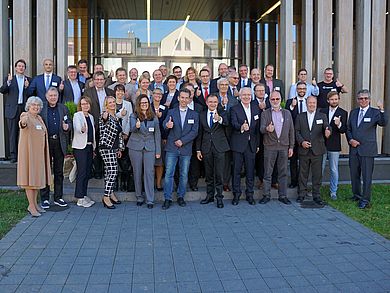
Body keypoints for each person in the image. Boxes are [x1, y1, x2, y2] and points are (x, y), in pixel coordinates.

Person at [346, 89, 388, 209]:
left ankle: (365, 199)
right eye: (361, 98)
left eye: (365, 98)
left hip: (367, 150)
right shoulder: (353, 112)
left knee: (366, 176)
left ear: (369, 99)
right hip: (354, 150)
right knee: (354, 175)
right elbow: (348, 129)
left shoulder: (375, 112)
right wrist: (350, 140)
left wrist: (382, 109)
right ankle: (356, 195)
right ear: (357, 100)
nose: (363, 100)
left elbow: (383, 123)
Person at [162, 88, 199, 210]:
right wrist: (167, 125)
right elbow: (165, 125)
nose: (183, 100)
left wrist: (182, 141)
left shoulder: (194, 114)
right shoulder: (171, 112)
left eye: (186, 98)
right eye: (181, 97)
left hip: (186, 149)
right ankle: (167, 198)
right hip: (172, 148)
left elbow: (194, 132)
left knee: (183, 174)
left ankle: (181, 196)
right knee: (169, 174)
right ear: (178, 98)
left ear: (189, 99)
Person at [17, 96, 51, 217]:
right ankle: (31, 206)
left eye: (37, 105)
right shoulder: (25, 115)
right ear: (29, 106)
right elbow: (22, 123)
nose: (36, 107)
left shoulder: (39, 118)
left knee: (36, 179)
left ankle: (35, 204)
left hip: (39, 155)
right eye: (33, 105)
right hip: (29, 154)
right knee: (29, 180)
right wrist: (23, 122)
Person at [259, 91, 295, 204]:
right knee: (268, 173)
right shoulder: (265, 114)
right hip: (270, 147)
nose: (275, 101)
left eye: (277, 99)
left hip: (284, 147)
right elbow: (261, 129)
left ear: (281, 100)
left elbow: (291, 131)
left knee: (283, 172)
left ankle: (283, 195)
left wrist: (291, 147)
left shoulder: (287, 113)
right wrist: (267, 129)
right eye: (273, 99)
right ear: (269, 100)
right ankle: (266, 195)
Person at [39, 87, 71, 209]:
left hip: (59, 142)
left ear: (58, 97)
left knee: (59, 172)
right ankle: (45, 198)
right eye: (51, 95)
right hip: (45, 143)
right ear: (46, 97)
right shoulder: (41, 108)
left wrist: (67, 126)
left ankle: (58, 197)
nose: (53, 97)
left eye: (55, 95)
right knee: (45, 171)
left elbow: (70, 123)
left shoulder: (63, 108)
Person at [295, 96, 331, 205]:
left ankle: (316, 195)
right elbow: (296, 132)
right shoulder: (300, 116)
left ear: (316, 104)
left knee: (317, 174)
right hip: (304, 150)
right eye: (310, 103)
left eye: (313, 103)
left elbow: (327, 127)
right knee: (302, 173)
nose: (312, 105)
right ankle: (301, 194)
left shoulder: (322, 116)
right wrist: (302, 142)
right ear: (306, 104)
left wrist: (328, 131)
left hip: (317, 150)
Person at [196, 94, 229, 208]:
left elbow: (227, 123)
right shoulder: (201, 115)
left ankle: (219, 198)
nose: (213, 104)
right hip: (206, 148)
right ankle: (209, 196)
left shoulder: (222, 112)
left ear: (218, 102)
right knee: (209, 174)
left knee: (219, 174)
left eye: (215, 102)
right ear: (206, 102)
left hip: (220, 147)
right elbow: (199, 133)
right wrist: (198, 150)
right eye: (210, 102)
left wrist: (219, 119)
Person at [128, 95, 161, 208]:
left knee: (149, 173)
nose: (144, 104)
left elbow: (157, 134)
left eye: (146, 102)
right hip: (135, 147)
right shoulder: (134, 116)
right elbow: (131, 129)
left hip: (150, 148)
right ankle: (139, 197)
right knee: (137, 172)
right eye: (142, 103)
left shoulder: (154, 117)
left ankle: (150, 199)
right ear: (138, 104)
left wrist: (158, 151)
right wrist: (136, 126)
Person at [230, 87, 260, 205]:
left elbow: (257, 129)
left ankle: (250, 194)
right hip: (238, 144)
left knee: (250, 171)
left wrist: (257, 144)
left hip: (251, 145)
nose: (247, 97)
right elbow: (233, 123)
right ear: (240, 96)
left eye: (249, 95)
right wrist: (241, 127)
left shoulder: (255, 108)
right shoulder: (234, 109)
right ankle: (236, 195)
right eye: (244, 95)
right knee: (236, 171)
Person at [84, 71, 115, 179]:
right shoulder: (88, 92)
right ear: (93, 80)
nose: (99, 81)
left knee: (108, 148)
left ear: (104, 81)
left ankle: (107, 171)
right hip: (95, 124)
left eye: (101, 79)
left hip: (109, 124)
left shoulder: (110, 92)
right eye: (97, 79)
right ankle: (98, 171)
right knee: (97, 148)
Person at [0, 59, 31, 163]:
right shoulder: (10, 79)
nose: (21, 68)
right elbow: (2, 90)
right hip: (12, 109)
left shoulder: (28, 80)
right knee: (13, 133)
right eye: (19, 66)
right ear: (16, 68)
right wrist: (8, 82)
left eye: (23, 66)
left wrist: (27, 87)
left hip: (24, 109)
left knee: (24, 133)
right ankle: (13, 156)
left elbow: (31, 95)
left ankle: (23, 155)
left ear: (25, 68)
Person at [320, 91, 348, 200]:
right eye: (332, 99)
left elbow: (343, 130)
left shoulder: (343, 112)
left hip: (334, 145)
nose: (334, 101)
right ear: (328, 100)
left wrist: (339, 124)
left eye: (336, 99)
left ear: (339, 100)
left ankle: (333, 191)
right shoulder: (322, 111)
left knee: (334, 169)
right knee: (319, 168)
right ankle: (317, 189)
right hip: (321, 144)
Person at [99, 96, 124, 209]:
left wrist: (119, 148)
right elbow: (104, 122)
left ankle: (110, 193)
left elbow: (119, 135)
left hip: (114, 148)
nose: (113, 104)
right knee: (113, 171)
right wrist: (105, 117)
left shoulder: (116, 117)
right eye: (110, 102)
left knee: (109, 172)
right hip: (106, 147)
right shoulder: (105, 115)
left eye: (114, 102)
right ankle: (106, 197)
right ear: (106, 105)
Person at [72, 96, 96, 208]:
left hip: (89, 147)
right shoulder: (77, 115)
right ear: (80, 106)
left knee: (87, 172)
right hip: (80, 147)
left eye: (87, 104)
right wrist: (81, 129)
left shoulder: (90, 117)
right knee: (81, 172)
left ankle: (84, 194)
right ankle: (79, 197)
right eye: (83, 104)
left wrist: (94, 148)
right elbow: (77, 127)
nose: (85, 106)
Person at [285, 81, 307, 188]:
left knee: (303, 161)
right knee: (293, 161)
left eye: (303, 89)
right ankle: (294, 181)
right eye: (299, 89)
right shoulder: (290, 102)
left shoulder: (309, 102)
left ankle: (302, 182)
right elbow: (287, 117)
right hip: (293, 136)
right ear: (296, 90)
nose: (301, 90)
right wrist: (292, 107)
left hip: (305, 136)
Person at [151, 88, 168, 191]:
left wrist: (165, 137)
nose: (158, 95)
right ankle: (150, 183)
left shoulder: (165, 108)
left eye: (160, 94)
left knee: (160, 161)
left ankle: (158, 184)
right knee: (149, 162)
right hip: (149, 137)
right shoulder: (148, 106)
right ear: (152, 95)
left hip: (161, 137)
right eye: (156, 93)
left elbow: (166, 123)